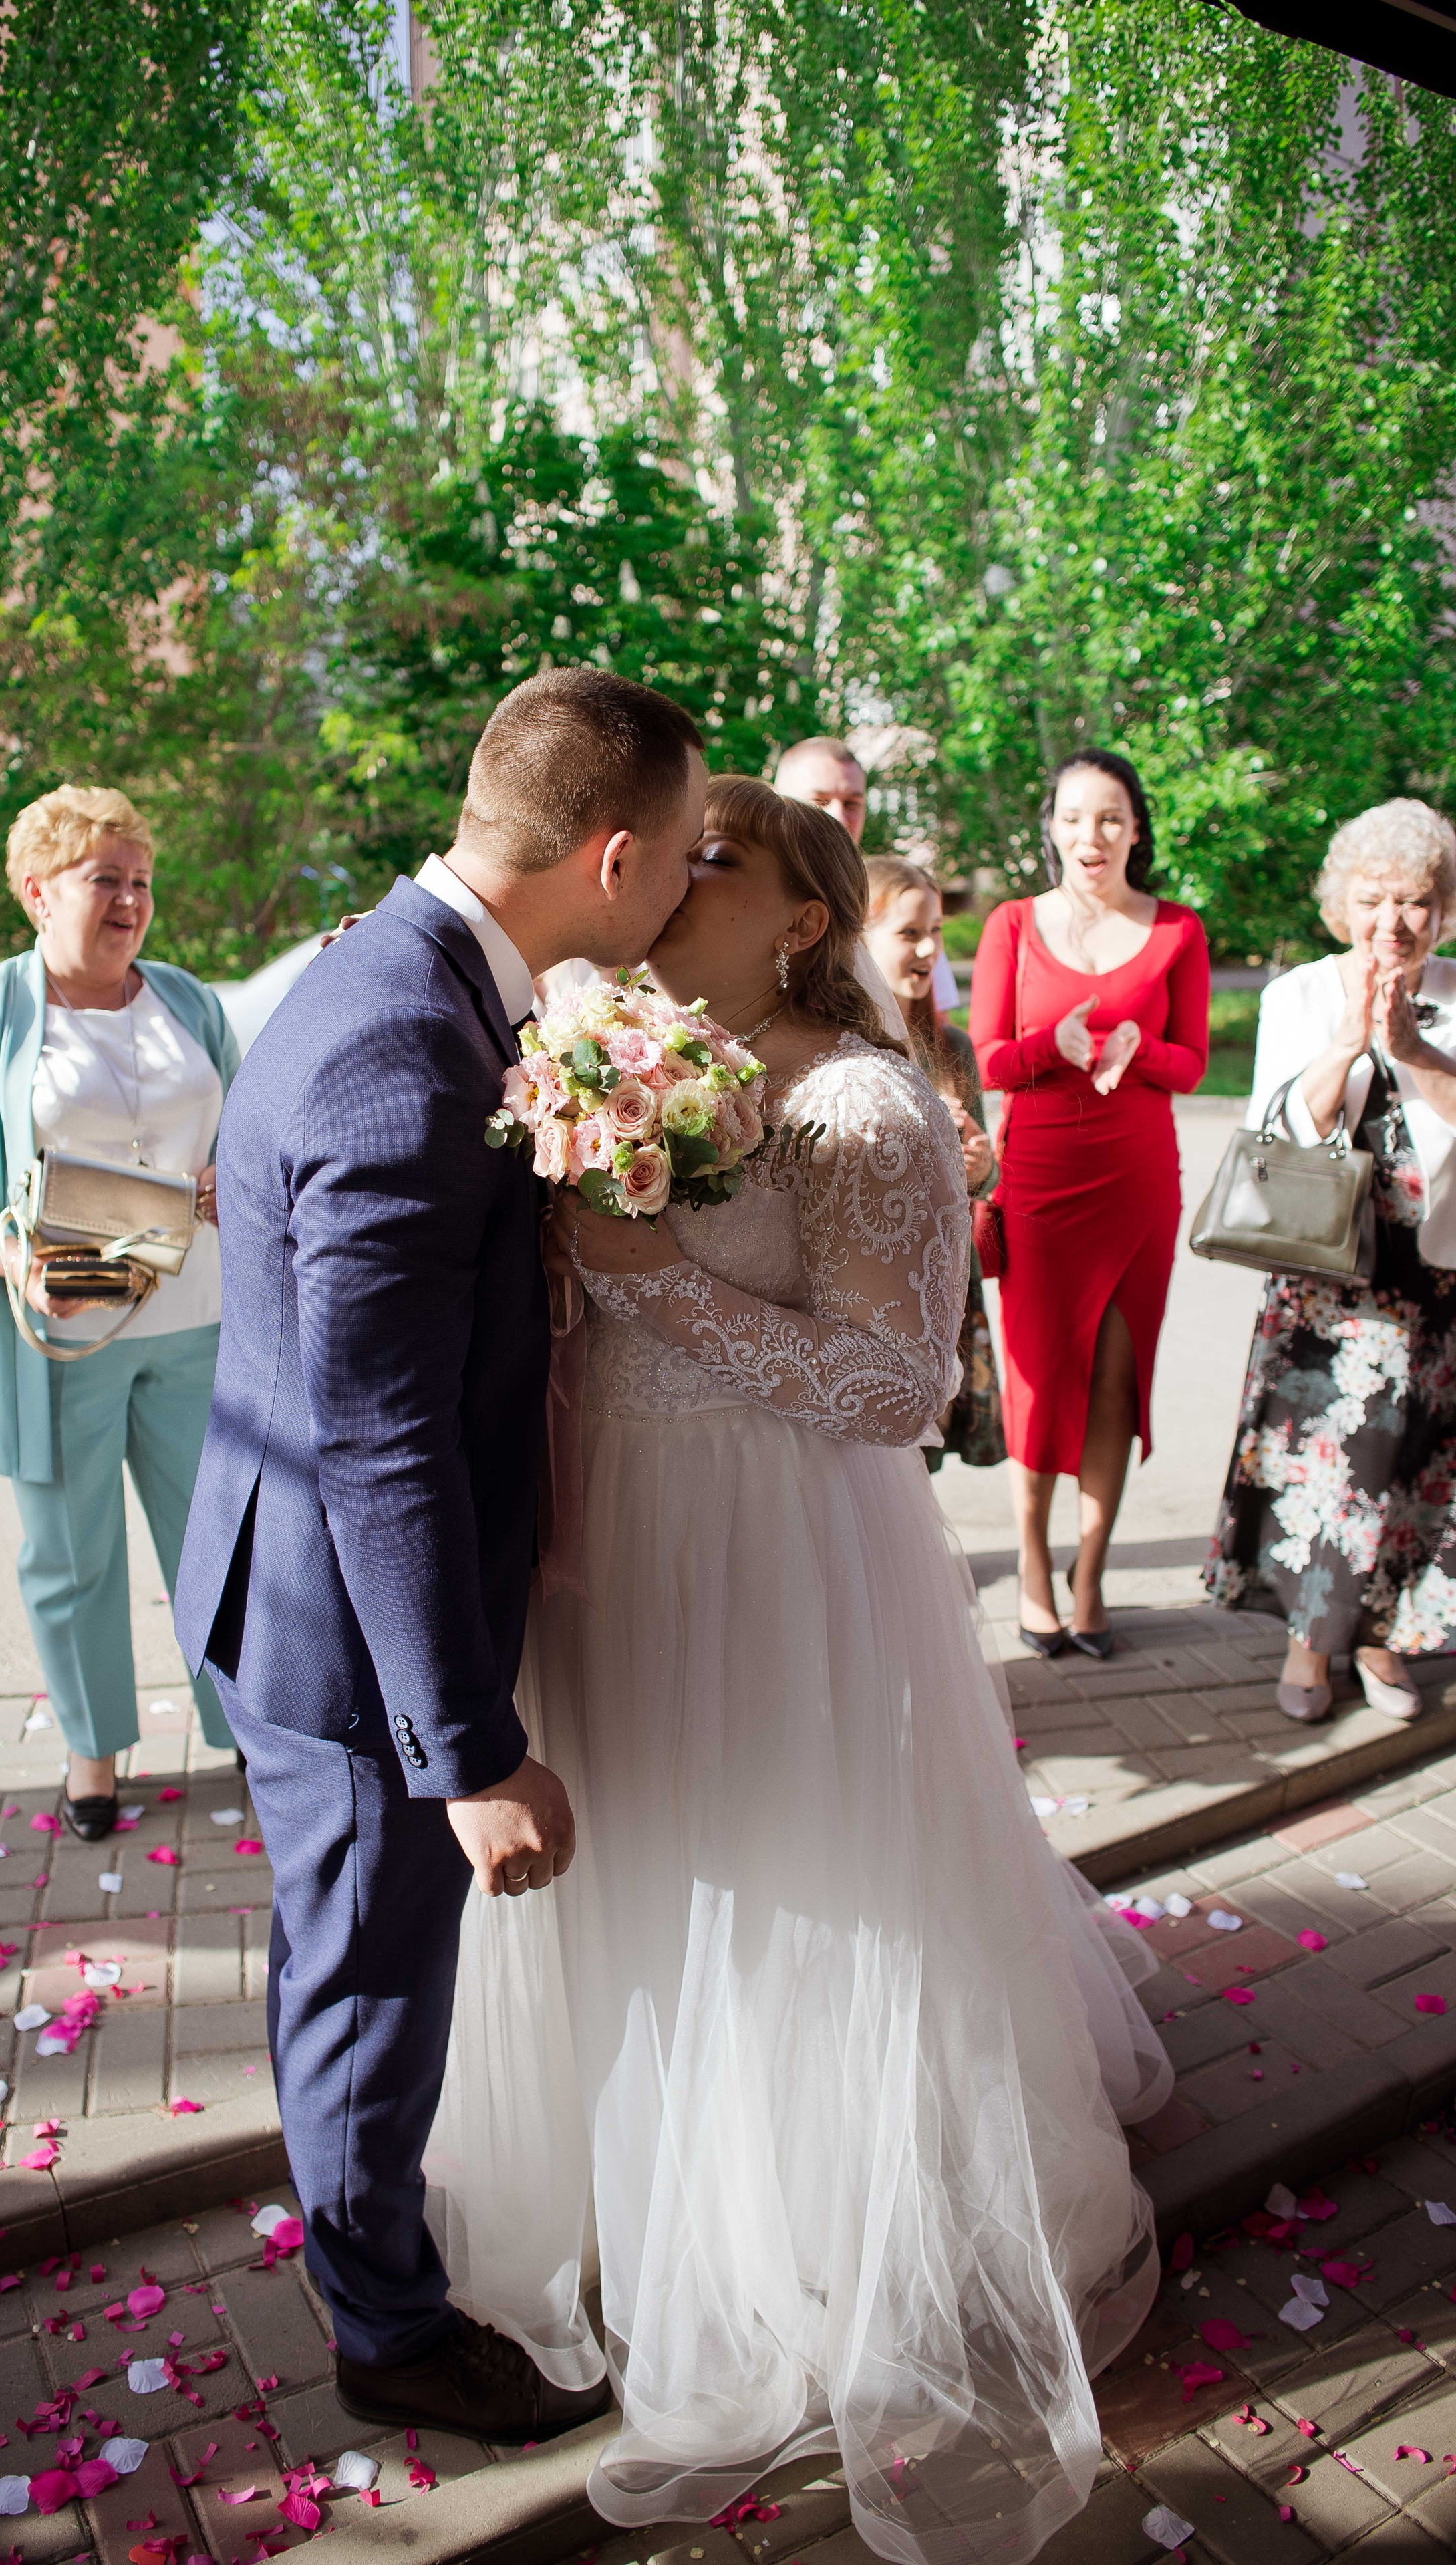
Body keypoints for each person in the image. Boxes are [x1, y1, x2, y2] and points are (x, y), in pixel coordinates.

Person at [426, 775, 1171, 2565]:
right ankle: (635, 2205)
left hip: (776, 1556)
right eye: (675, 853)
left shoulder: (860, 1099)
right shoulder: (605, 1041)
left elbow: (898, 1386)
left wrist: (645, 1272)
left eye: (721, 863)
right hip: (609, 1542)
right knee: (642, 1852)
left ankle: (804, 2234)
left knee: (788, 1874)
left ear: (806, 916)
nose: (679, 881)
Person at [173, 668, 707, 2443]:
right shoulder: (405, 1041)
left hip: (300, 1589)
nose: (691, 888)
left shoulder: (396, 971)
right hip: (343, 1627)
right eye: (687, 856)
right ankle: (389, 2331)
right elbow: (377, 1433)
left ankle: (365, 2259)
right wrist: (467, 1751)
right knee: (368, 1984)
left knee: (339, 1966)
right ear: (614, 857)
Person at [0, 786, 239, 1838]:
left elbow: (252, 1117)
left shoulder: (188, 999)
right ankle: (95, 1753)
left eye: (141, 881)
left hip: (198, 1320)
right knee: (71, 1556)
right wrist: (4, 1252)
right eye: (105, 880)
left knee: (217, 1545)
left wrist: (237, 1173)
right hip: (59, 1332)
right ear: (39, 892)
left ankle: (252, 1728)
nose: (131, 900)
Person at [1207, 799, 1456, 1724]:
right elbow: (1274, 1130)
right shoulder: (1300, 994)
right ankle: (1313, 1643)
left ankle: (1389, 1639)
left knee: (1416, 1462)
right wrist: (1352, 1043)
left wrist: (1413, 1049)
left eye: (1417, 901)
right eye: (1374, 898)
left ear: (1444, 908)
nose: (1394, 920)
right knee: (1328, 1465)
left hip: (1433, 1275)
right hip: (1324, 1273)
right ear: (1341, 902)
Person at [968, 752, 1209, 1657]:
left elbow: (1190, 1060)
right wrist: (1050, 1047)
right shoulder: (1012, 923)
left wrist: (1138, 1046)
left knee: (1115, 1378)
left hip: (1139, 1181)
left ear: (1136, 829)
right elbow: (989, 1055)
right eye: (1074, 817)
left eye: (1110, 818)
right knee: (1036, 1380)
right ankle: (1033, 1567)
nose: (1092, 835)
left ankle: (1091, 1571)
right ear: (1053, 828)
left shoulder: (1180, 929)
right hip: (1041, 1180)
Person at [865, 854, 1004, 1468]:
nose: (928, 948)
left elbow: (983, 1174)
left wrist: (979, 1162)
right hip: (875, 1286)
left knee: (926, 1463)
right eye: (909, 933)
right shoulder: (846, 1047)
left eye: (937, 932)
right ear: (857, 940)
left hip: (944, 1285)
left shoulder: (952, 1047)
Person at [779, 734, 961, 1013]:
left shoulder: (896, 898)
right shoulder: (742, 890)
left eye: (852, 803)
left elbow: (934, 1026)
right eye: (821, 801)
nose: (839, 818)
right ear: (777, 800)